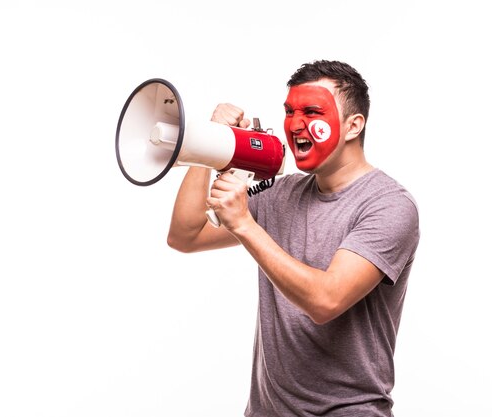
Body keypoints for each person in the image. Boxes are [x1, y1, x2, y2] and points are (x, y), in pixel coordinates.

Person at [167, 60, 420, 417]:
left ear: (353, 125)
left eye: (312, 111)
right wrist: (208, 146)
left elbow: (326, 300)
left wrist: (245, 225)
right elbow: (185, 234)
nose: (296, 124)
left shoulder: (389, 205)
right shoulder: (281, 192)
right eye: (289, 111)